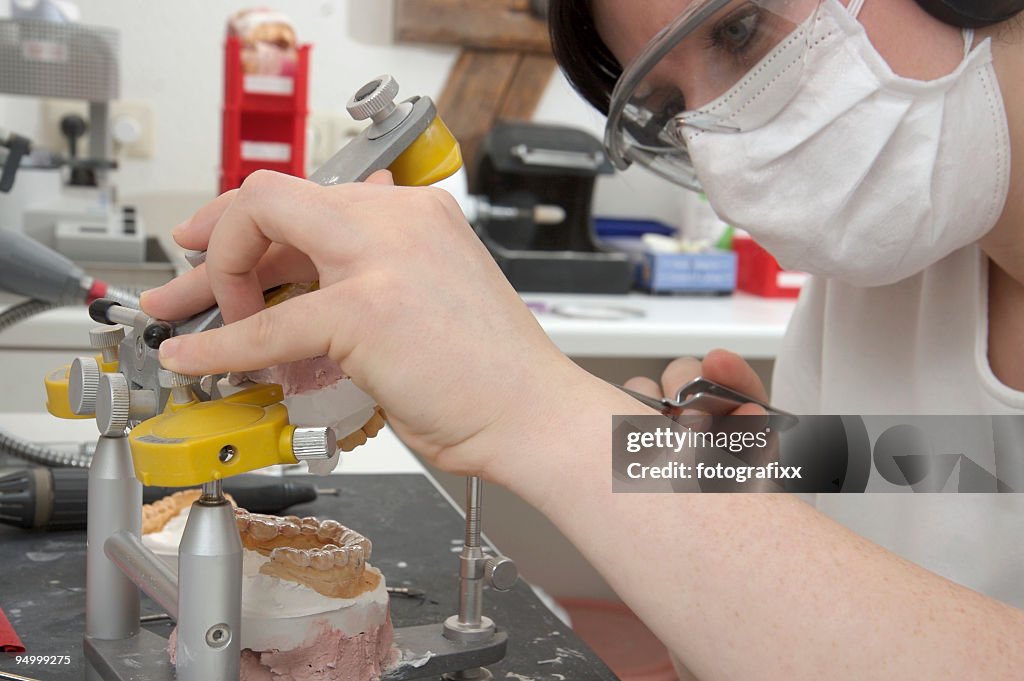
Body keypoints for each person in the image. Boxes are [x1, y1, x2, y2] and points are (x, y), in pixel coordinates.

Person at [141, 0, 1024, 677]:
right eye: (672, 101)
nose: (721, 149)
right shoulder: (879, 283)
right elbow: (975, 466)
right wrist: (723, 503)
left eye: (742, 29)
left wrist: (534, 406)